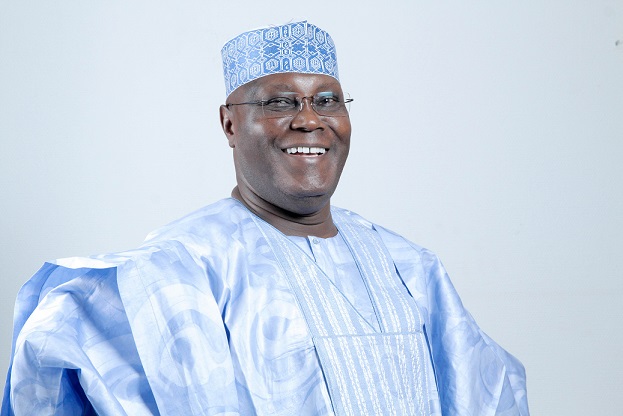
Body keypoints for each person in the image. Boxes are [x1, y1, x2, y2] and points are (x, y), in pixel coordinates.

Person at [1, 21, 529, 415]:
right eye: (279, 102)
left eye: (327, 100)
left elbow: (487, 396)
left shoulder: (408, 266)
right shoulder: (176, 272)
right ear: (230, 125)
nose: (309, 119)